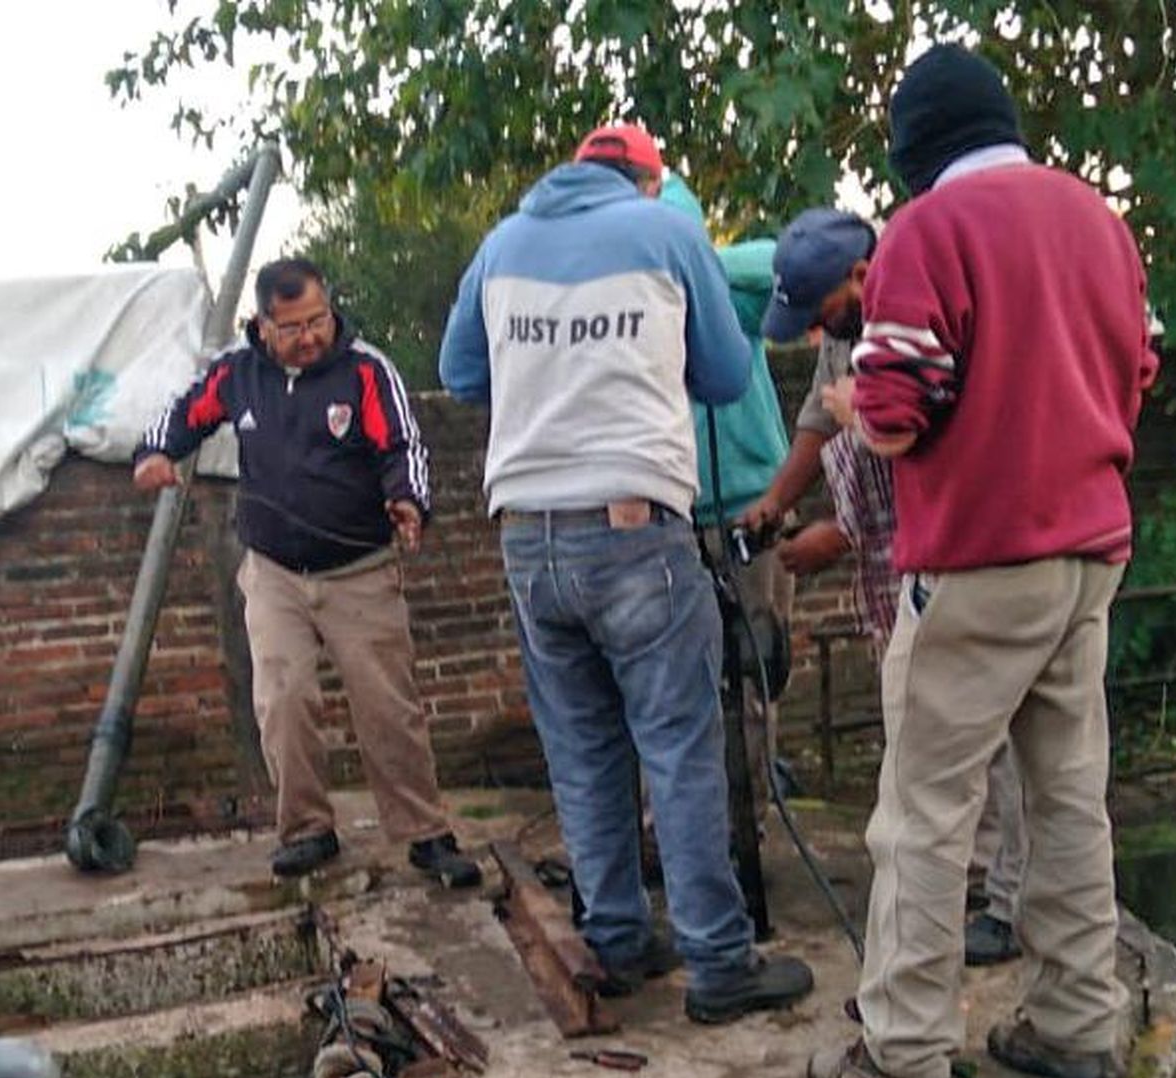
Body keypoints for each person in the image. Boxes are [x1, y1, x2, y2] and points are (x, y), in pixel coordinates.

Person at [805, 45, 1158, 1078]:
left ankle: (904, 1049)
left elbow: (901, 411)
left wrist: (859, 407)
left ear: (916, 152)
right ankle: (1079, 1023)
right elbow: (1139, 367)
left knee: (924, 812)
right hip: (1088, 552)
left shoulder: (927, 231)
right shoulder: (1097, 218)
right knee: (1065, 798)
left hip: (976, 560)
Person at [438, 123, 814, 1024]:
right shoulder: (668, 233)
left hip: (529, 538)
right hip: (636, 531)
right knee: (680, 749)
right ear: (647, 182)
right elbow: (725, 377)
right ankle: (720, 964)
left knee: (582, 750)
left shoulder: (501, 245)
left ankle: (615, 937)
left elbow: (459, 373)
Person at [133, 256, 480, 886]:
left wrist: (408, 499)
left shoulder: (366, 370)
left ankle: (426, 833)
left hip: (361, 569)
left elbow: (403, 444)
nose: (309, 335)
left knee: (387, 707)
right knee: (284, 700)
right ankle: (307, 830)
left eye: (317, 319)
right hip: (273, 572)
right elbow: (184, 411)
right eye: (292, 327)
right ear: (264, 325)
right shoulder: (237, 373)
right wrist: (156, 451)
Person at [756, 209, 1028, 968]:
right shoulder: (846, 336)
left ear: (862, 277)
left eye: (823, 315)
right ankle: (972, 888)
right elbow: (820, 418)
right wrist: (779, 502)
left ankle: (1005, 905)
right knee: (931, 745)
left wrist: (835, 533)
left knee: (989, 745)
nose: (818, 335)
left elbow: (928, 451)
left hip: (957, 555)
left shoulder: (920, 318)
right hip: (898, 573)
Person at [657, 171, 795, 826]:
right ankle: (681, 819)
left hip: (752, 507)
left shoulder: (727, 293)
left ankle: (752, 811)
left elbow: (784, 265)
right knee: (674, 677)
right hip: (668, 515)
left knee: (754, 666)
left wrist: (693, 266)